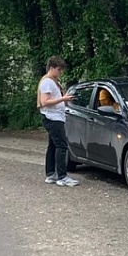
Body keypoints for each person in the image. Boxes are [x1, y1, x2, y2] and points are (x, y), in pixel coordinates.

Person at [37, 56, 79, 187]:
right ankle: (62, 176)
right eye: (59, 70)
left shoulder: (52, 81)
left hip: (54, 117)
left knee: (53, 146)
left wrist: (64, 99)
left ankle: (50, 174)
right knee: (62, 146)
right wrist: (63, 99)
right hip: (53, 118)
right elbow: (45, 101)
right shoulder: (47, 82)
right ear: (52, 68)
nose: (61, 72)